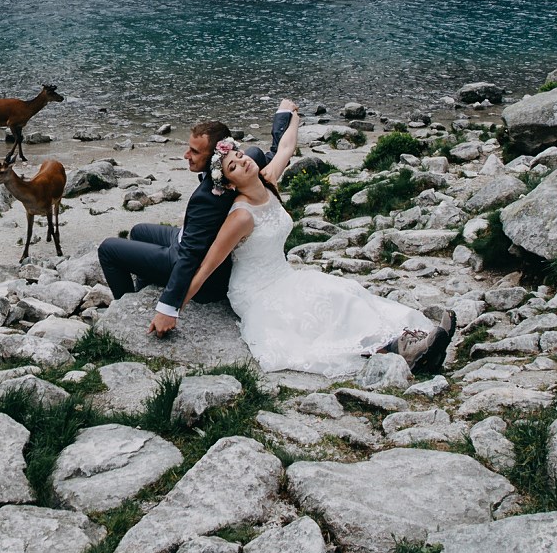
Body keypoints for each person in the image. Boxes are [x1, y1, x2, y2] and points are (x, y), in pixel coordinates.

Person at [183, 102, 450, 377]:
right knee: (322, 313)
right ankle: (398, 349)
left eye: (239, 156)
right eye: (233, 167)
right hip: (256, 292)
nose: (242, 161)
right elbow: (208, 265)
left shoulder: (267, 180)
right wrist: (172, 309)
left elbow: (286, 148)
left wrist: (292, 115)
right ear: (228, 184)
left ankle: (409, 339)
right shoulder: (240, 216)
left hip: (283, 277)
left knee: (345, 291)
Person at [97, 104, 296, 335]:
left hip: (188, 256)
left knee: (108, 249)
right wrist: (286, 115)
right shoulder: (249, 160)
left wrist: (169, 308)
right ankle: (145, 285)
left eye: (194, 152)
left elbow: (190, 255)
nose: (186, 155)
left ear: (215, 160)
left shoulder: (209, 198)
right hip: (187, 236)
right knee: (139, 230)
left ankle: (127, 310)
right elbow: (276, 151)